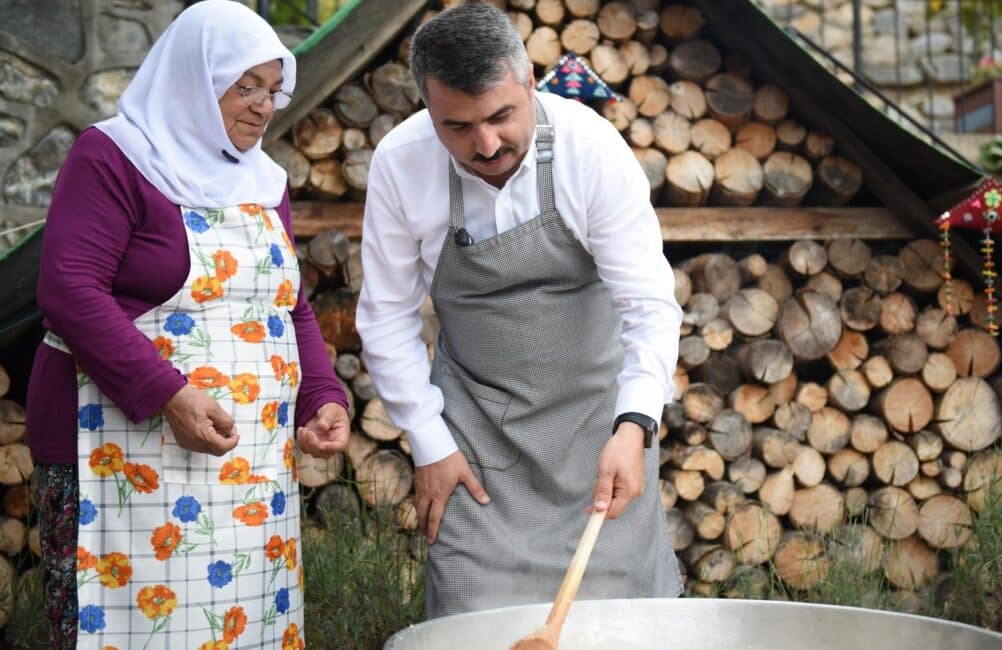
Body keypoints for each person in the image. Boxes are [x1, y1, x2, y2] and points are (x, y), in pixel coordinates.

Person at [27, 2, 349, 647]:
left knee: (234, 628)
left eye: (273, 89)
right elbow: (68, 288)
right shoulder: (115, 156)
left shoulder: (264, 180)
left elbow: (285, 304)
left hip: (251, 467)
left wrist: (322, 395)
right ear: (196, 81)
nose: (264, 105)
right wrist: (168, 394)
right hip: (122, 453)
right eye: (245, 86)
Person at [356, 4, 683, 619]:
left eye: (502, 116)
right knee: (472, 618)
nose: (486, 144)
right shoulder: (400, 163)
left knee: (618, 623)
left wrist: (634, 425)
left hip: (599, 431)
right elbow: (386, 317)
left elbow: (648, 304)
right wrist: (430, 444)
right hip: (478, 442)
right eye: (457, 126)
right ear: (428, 111)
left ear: (531, 82)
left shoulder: (590, 148)